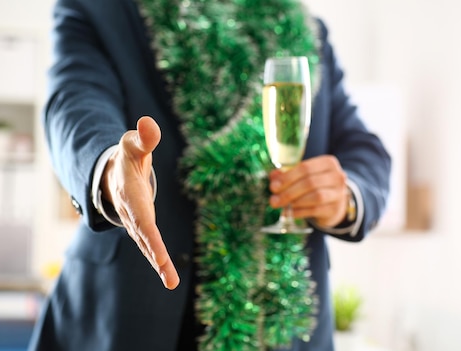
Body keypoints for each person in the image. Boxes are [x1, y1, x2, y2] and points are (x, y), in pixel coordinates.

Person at [29, 0, 391, 350]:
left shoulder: (307, 33)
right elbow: (73, 106)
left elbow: (363, 149)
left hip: (282, 319)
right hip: (129, 315)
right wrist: (108, 167)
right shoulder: (100, 8)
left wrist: (346, 196)